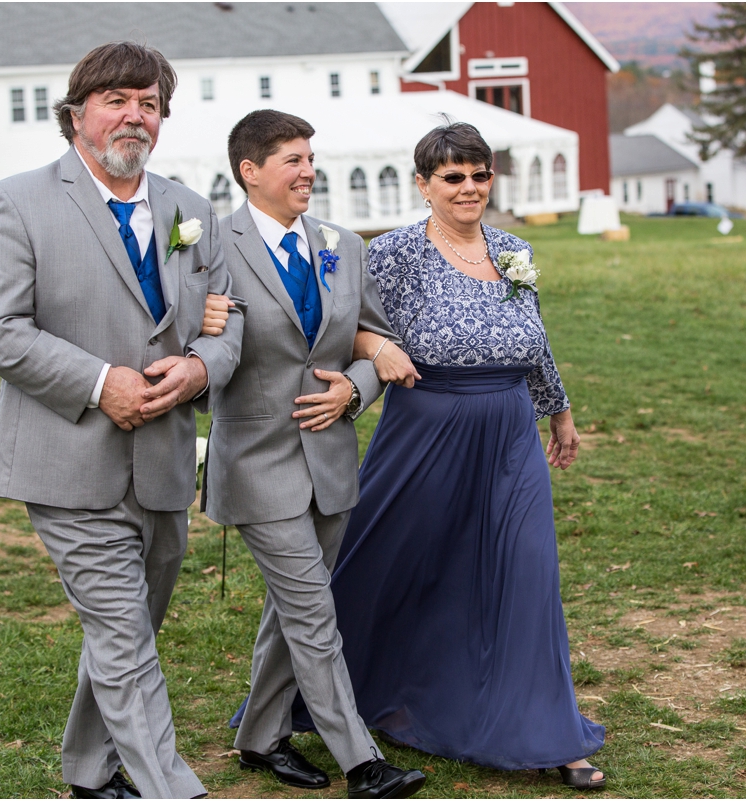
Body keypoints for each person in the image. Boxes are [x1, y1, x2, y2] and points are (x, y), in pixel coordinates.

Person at [0, 42, 243, 799]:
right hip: (66, 457)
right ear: (78, 111)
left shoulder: (191, 211)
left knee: (128, 633)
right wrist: (97, 382)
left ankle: (89, 773)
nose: (135, 116)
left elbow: (225, 323)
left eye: (149, 103)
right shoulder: (17, 201)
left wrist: (200, 367)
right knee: (123, 635)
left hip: (163, 461)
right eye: (118, 99)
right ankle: (172, 788)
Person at [337, 121, 607, 790]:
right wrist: (376, 351)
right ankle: (336, 691)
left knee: (526, 571)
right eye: (452, 176)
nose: (468, 187)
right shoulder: (397, 252)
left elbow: (534, 336)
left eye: (479, 174)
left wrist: (559, 408)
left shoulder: (514, 248)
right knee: (387, 559)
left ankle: (548, 731)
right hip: (426, 427)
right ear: (423, 184)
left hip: (510, 428)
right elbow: (353, 325)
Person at [203, 110, 425, 799]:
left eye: (309, 158)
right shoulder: (211, 247)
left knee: (291, 609)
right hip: (255, 462)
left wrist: (351, 394)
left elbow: (373, 340)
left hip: (330, 461)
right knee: (310, 613)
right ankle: (363, 763)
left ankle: (259, 736)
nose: (308, 171)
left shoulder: (341, 244)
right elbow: (194, 344)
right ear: (250, 171)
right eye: (292, 160)